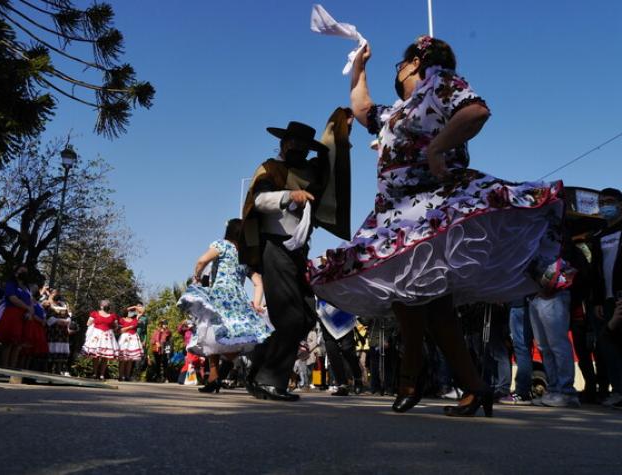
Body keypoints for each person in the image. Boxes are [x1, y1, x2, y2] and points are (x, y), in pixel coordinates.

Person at [309, 36, 574, 417]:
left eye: (399, 64)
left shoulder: (440, 82)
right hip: (396, 214)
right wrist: (359, 68)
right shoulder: (398, 111)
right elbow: (363, 108)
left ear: (416, 62)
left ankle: (418, 380)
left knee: (420, 302)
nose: (396, 71)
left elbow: (475, 112)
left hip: (431, 207)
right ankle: (467, 387)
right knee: (418, 302)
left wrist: (437, 148)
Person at [241, 109, 353, 402]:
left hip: (298, 252)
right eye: (292, 144)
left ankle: (258, 363)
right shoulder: (270, 169)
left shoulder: (313, 173)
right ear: (283, 145)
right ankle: (269, 380)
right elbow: (260, 200)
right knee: (289, 318)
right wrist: (290, 196)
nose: (296, 149)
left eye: (302, 146)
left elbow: (333, 159)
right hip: (273, 247)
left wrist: (342, 133)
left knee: (304, 317)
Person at [178, 218, 272, 394]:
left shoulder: (222, 245)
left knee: (211, 335)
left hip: (219, 296)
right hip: (239, 301)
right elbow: (258, 282)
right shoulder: (245, 255)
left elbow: (202, 261)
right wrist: (257, 303)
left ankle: (218, 375)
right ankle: (215, 378)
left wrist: (197, 276)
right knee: (237, 340)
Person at [591, 187, 622, 407]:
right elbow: (596, 271)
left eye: (610, 201)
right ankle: (617, 390)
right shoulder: (598, 235)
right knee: (608, 345)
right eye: (602, 202)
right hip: (607, 299)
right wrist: (597, 300)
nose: (605, 206)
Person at [0, 265, 33, 368]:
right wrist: (27, 307)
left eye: (26, 271)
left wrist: (30, 311)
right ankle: (5, 366)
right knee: (8, 342)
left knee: (18, 344)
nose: (24, 273)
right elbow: (13, 298)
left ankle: (13, 366)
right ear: (16, 272)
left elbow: (31, 302)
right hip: (12, 314)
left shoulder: (27, 288)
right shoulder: (11, 284)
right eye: (22, 271)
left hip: (24, 316)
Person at [81, 300, 119, 380]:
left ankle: (101, 374)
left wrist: (114, 325)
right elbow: (88, 323)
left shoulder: (113, 315)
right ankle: (94, 373)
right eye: (105, 304)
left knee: (105, 356)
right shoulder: (94, 313)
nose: (106, 306)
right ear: (101, 305)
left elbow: (116, 327)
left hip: (107, 336)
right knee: (96, 356)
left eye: (107, 304)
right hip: (97, 336)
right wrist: (94, 321)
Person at [45, 289, 72, 376]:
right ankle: (48, 371)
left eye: (58, 293)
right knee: (51, 351)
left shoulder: (62, 305)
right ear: (51, 294)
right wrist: (58, 321)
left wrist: (66, 321)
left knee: (61, 352)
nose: (57, 295)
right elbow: (48, 317)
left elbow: (68, 317)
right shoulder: (48, 305)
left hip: (63, 333)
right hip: (53, 331)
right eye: (55, 293)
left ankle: (58, 370)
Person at [117, 310, 143, 381]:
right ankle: (120, 376)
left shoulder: (135, 319)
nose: (131, 313)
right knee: (123, 359)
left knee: (130, 360)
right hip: (124, 338)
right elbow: (120, 330)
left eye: (132, 312)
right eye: (129, 312)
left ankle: (127, 376)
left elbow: (142, 311)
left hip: (133, 339)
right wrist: (129, 327)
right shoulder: (122, 320)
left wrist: (134, 307)